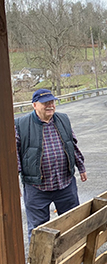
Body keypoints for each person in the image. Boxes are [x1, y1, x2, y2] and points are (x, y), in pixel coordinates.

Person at [15, 89, 87, 242]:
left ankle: (74, 260)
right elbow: (14, 152)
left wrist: (81, 167)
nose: (50, 105)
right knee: (39, 230)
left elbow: (72, 144)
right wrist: (15, 177)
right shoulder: (21, 124)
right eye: (45, 103)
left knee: (72, 223)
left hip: (65, 183)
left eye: (52, 102)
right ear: (34, 105)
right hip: (36, 187)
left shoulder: (63, 119)